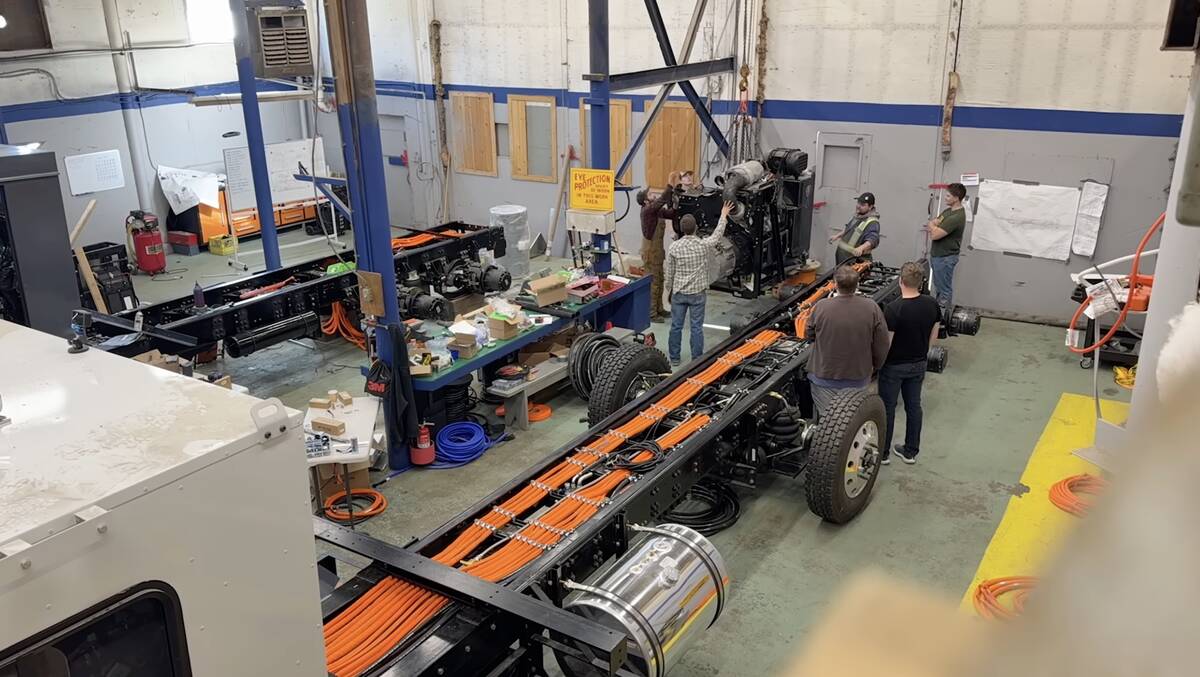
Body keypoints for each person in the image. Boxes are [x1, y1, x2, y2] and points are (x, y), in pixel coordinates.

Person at [877, 262, 941, 465]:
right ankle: (910, 451)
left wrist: (877, 364)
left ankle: (884, 453)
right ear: (921, 282)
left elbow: (887, 342)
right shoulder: (931, 304)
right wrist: (923, 351)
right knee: (914, 406)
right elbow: (935, 331)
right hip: (919, 363)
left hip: (894, 366)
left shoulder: (894, 309)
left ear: (900, 281)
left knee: (887, 407)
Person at [806, 265, 890, 417]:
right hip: (857, 378)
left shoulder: (821, 307)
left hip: (824, 378)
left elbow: (809, 334)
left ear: (835, 284)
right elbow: (882, 343)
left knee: (827, 421)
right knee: (850, 421)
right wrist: (875, 366)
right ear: (857, 285)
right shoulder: (871, 308)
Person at [664, 200, 734, 366]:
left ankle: (674, 358)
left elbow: (669, 272)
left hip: (679, 293)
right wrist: (723, 215)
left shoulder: (674, 247)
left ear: (681, 229)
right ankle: (697, 360)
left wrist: (668, 290)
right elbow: (717, 236)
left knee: (676, 327)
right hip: (697, 294)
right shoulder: (703, 245)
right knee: (696, 328)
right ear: (695, 228)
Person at [925, 182, 967, 309]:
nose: (945, 198)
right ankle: (938, 314)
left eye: (948, 196)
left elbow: (934, 235)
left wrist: (933, 227)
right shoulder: (948, 211)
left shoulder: (956, 217)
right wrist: (933, 226)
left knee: (944, 291)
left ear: (956, 198)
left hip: (945, 258)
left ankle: (943, 318)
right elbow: (932, 223)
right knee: (939, 287)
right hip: (938, 256)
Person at [637, 183, 676, 320]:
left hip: (658, 252)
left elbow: (671, 214)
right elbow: (661, 200)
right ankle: (652, 314)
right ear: (646, 201)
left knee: (660, 279)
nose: (653, 194)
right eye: (650, 194)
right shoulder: (647, 211)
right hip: (650, 252)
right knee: (653, 283)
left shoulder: (656, 211)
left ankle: (659, 308)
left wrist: (673, 198)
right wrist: (670, 185)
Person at [830, 192, 881, 265]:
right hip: (844, 259)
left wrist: (861, 248)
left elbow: (873, 239)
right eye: (858, 203)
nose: (858, 206)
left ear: (870, 207)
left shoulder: (872, 222)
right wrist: (837, 236)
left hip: (855, 261)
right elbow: (849, 228)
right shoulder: (858, 216)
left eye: (862, 205)